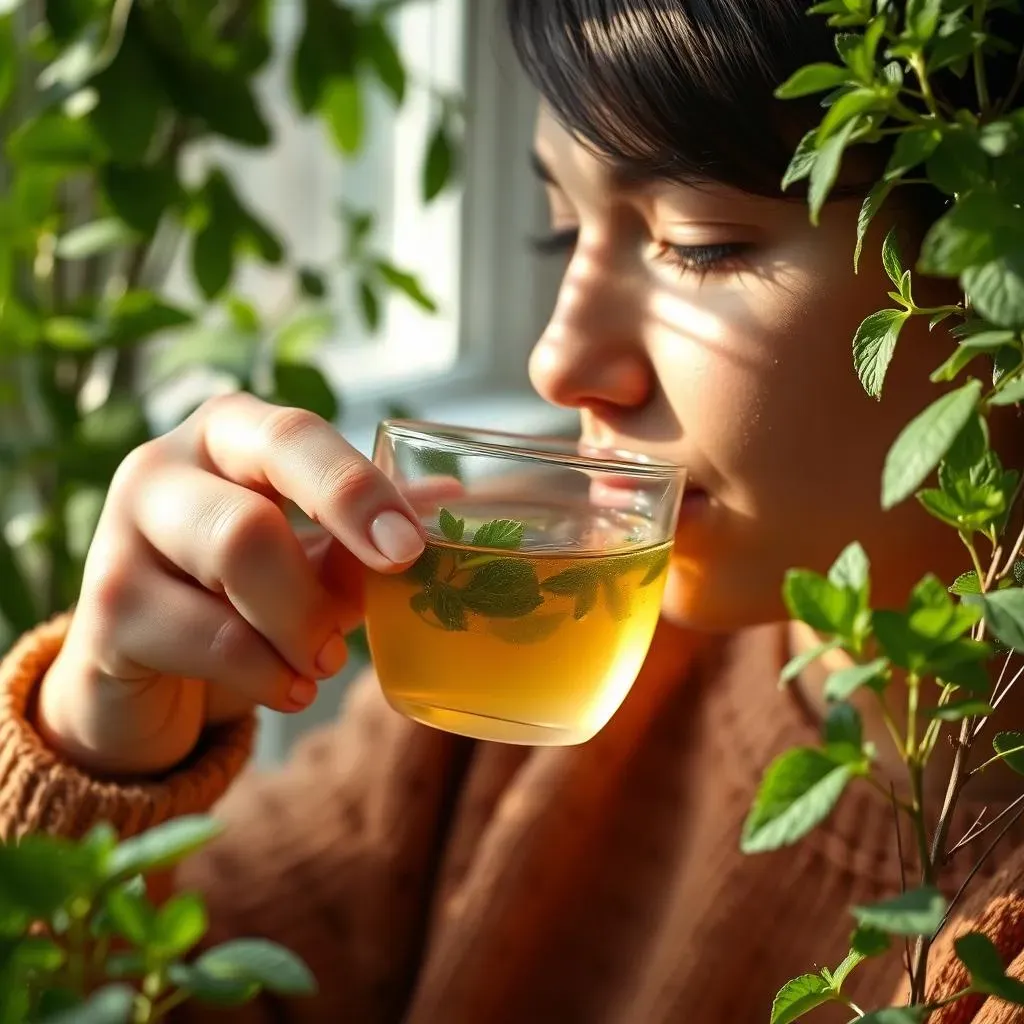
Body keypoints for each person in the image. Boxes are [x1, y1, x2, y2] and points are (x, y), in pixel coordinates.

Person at [2, 1, 1023, 1020]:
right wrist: (102, 748)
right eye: (560, 232)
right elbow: (150, 988)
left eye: (700, 244)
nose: (558, 360)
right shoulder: (527, 665)